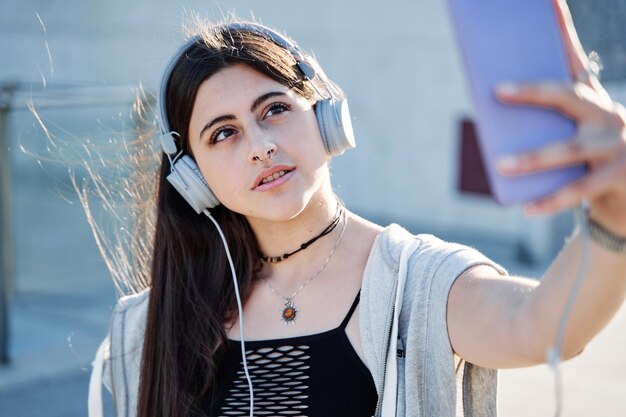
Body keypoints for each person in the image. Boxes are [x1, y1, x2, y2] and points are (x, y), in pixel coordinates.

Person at [88, 1, 626, 416]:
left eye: (274, 109)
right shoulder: (152, 325)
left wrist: (615, 217)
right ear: (193, 177)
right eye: (223, 133)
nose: (259, 145)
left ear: (327, 118)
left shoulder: (416, 282)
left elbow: (543, 326)